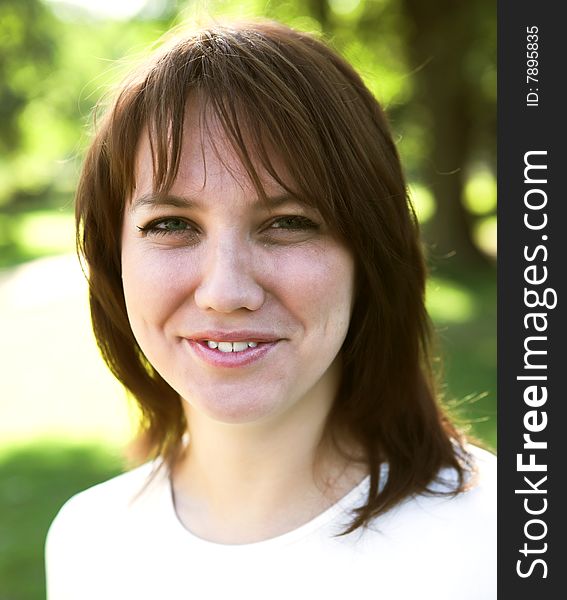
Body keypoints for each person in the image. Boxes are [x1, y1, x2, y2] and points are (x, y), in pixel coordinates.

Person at [45, 19, 496, 599]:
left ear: (370, 254)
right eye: (172, 225)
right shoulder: (88, 543)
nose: (226, 290)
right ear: (114, 260)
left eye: (288, 223)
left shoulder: (500, 541)